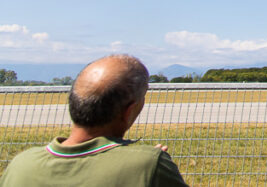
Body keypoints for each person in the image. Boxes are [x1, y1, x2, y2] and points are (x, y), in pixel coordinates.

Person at [0, 54, 188, 186]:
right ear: (128, 111)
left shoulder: (20, 165)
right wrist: (149, 163)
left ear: (74, 101)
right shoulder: (149, 164)